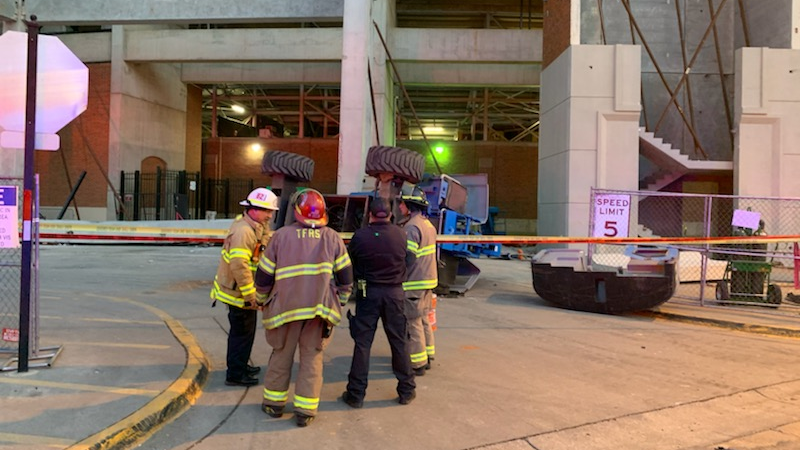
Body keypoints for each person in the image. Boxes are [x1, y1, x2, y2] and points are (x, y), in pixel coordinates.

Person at [254, 188, 353, 427]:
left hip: (284, 311)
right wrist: (340, 301)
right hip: (319, 313)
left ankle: (274, 404)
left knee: (281, 355)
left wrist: (261, 298)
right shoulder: (332, 237)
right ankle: (305, 411)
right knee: (312, 359)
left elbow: (264, 275)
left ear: (296, 211)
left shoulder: (280, 236)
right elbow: (345, 277)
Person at [341, 197, 417, 409]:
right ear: (390, 215)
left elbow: (350, 265)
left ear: (370, 215)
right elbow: (410, 259)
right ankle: (406, 390)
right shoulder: (401, 234)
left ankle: (356, 394)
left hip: (368, 290)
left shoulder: (360, 236)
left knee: (363, 344)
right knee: (399, 341)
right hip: (395, 292)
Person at [210, 187, 279, 387]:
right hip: (239, 293)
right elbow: (240, 266)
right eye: (267, 211)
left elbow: (261, 247)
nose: (269, 216)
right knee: (241, 334)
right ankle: (235, 373)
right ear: (254, 209)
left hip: (239, 291)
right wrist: (251, 295)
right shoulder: (244, 232)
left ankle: (241, 366)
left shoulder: (252, 226)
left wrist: (266, 232)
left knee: (245, 333)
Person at [398, 192, 438, 376]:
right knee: (423, 319)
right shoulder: (428, 225)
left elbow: (409, 257)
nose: (399, 207)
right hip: (429, 280)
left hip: (414, 282)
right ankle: (429, 355)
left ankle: (417, 363)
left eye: (402, 204)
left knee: (412, 322)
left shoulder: (411, 228)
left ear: (409, 206)